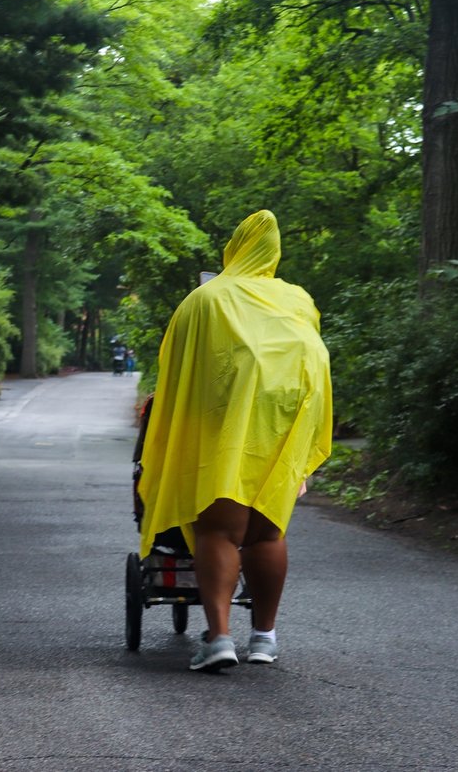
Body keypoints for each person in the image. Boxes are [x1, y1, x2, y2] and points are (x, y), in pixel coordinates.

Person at [136, 210, 332, 672]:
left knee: (220, 529)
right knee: (267, 532)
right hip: (284, 426)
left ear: (234, 247)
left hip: (224, 429)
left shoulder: (206, 299)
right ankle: (264, 637)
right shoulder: (298, 299)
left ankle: (220, 637)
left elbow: (178, 372)